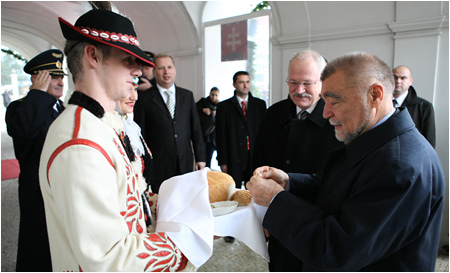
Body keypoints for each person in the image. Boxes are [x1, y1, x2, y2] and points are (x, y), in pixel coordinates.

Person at [247, 52, 445, 271]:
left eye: (334, 101)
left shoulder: (398, 166)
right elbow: (342, 188)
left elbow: (338, 250)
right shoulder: (376, 138)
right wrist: (289, 181)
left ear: (375, 95)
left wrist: (276, 200)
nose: (325, 113)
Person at [38, 8, 193, 271]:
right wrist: (190, 242)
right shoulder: (79, 144)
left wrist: (184, 207)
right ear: (93, 55)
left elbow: (126, 204)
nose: (138, 70)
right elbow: (108, 258)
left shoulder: (99, 123)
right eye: (127, 60)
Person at [252, 50, 343, 271]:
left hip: (319, 227)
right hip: (278, 222)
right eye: (293, 82)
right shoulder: (273, 114)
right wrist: (261, 214)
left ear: (323, 83)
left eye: (307, 83)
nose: (299, 90)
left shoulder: (339, 119)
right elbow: (257, 163)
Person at [5, 49, 65, 272]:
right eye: (52, 76)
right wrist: (38, 94)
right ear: (36, 78)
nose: (59, 82)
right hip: (36, 186)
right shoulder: (20, 107)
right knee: (37, 240)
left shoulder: (63, 107)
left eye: (61, 77)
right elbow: (23, 131)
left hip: (62, 184)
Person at [134, 54, 206, 193]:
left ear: (175, 70)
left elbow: (195, 129)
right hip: (159, 165)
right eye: (161, 68)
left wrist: (200, 157)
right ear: (154, 73)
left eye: (169, 67)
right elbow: (140, 134)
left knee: (187, 199)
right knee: (164, 205)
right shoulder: (144, 99)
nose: (166, 71)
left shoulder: (187, 95)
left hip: (185, 161)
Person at [215, 71, 266, 188]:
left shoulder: (260, 105)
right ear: (234, 84)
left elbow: (264, 133)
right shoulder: (223, 107)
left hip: (254, 156)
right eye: (241, 82)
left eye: (247, 82)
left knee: (255, 191)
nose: (245, 85)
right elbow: (220, 136)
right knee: (233, 191)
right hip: (233, 155)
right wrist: (222, 161)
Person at [392, 65, 436, 147]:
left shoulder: (425, 107)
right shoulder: (377, 103)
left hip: (409, 156)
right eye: (395, 77)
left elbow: (429, 142)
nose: (398, 81)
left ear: (410, 81)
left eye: (403, 78)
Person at [196, 86, 220, 168]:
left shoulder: (219, 106)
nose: (214, 97)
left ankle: (208, 176)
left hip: (213, 137)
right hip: (203, 134)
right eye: (212, 94)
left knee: (209, 158)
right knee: (201, 158)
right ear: (209, 94)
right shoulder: (203, 102)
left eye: (216, 95)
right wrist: (203, 110)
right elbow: (194, 108)